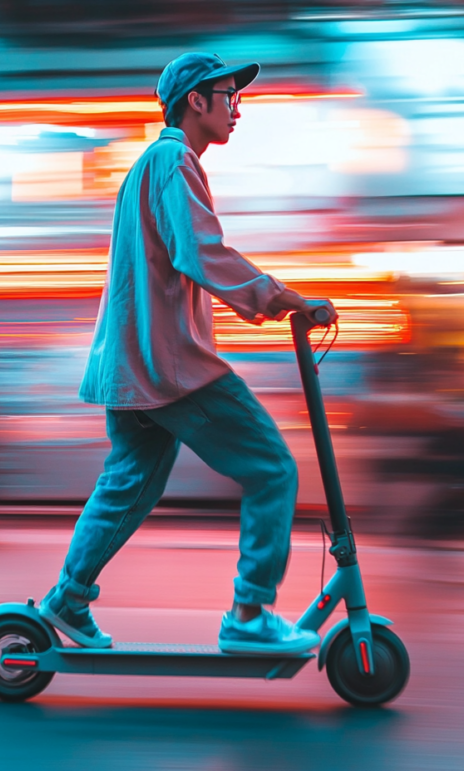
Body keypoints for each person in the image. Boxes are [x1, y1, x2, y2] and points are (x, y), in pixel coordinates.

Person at [39, 52, 338, 655]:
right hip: (173, 369)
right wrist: (282, 298)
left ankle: (68, 600)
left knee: (128, 487)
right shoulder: (174, 160)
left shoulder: (149, 166)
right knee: (273, 470)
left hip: (131, 369)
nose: (236, 110)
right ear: (195, 101)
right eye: (229, 96)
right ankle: (250, 614)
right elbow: (201, 253)